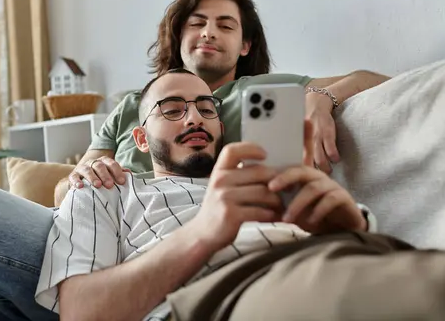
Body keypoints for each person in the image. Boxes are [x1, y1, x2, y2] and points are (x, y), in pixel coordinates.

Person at [38, 69, 445, 320]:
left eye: (205, 107)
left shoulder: (260, 172)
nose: (194, 116)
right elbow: (82, 313)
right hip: (224, 292)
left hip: (357, 254)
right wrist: (206, 231)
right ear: (140, 138)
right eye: (173, 108)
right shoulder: (104, 188)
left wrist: (349, 221)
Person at [56, 0, 390, 205]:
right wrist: (82, 178)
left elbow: (370, 79)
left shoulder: (260, 93)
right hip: (100, 222)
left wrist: (320, 97)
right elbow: (60, 194)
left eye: (225, 25)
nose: (209, 33)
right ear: (177, 36)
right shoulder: (131, 105)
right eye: (197, 23)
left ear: (245, 45)